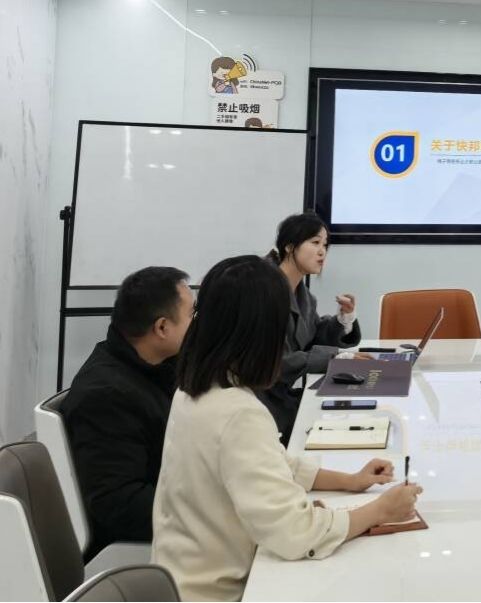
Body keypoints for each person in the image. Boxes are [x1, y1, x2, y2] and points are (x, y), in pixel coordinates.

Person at [152, 255, 422, 602]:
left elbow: (272, 462)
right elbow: (295, 534)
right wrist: (381, 510)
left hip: (180, 579)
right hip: (222, 592)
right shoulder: (237, 412)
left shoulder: (195, 389)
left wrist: (350, 481)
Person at [60, 267, 192, 559]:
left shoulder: (155, 365)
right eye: (191, 315)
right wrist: (208, 509)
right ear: (162, 328)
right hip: (143, 546)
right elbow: (119, 503)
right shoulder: (107, 396)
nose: (198, 324)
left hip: (175, 513)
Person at [262, 213, 364, 441]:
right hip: (261, 402)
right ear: (289, 246)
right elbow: (277, 361)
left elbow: (312, 336)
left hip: (281, 396)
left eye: (325, 245)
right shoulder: (264, 290)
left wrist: (343, 320)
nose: (322, 252)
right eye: (315, 242)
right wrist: (337, 357)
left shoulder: (303, 294)